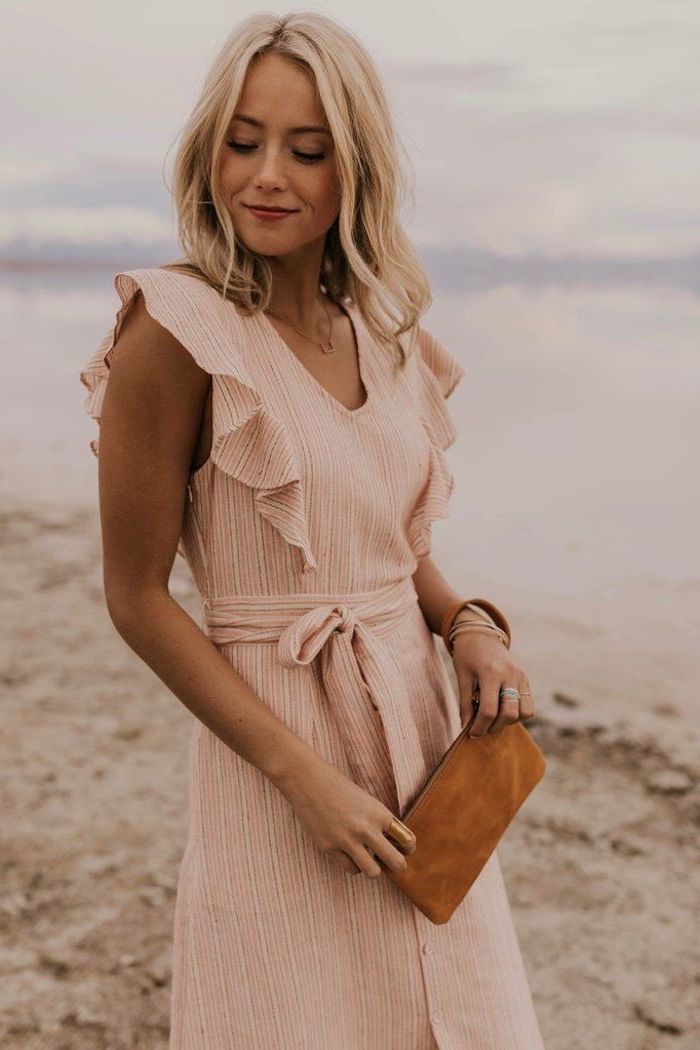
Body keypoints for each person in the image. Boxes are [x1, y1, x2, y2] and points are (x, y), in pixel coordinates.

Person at [79, 11, 545, 1049]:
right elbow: (137, 597)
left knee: (456, 1018)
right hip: (271, 752)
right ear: (209, 151)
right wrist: (303, 779)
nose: (267, 176)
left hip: (423, 741)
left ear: (357, 167)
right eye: (243, 141)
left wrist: (468, 624)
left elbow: (389, 541)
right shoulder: (174, 330)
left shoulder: (382, 330)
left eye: (307, 148)